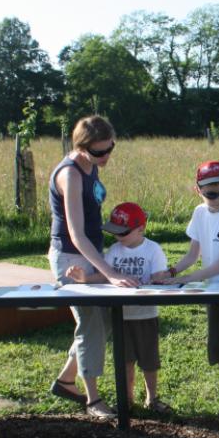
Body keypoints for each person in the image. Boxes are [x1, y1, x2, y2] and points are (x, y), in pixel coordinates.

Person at [47, 115, 138, 419]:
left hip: (92, 253)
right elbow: (76, 232)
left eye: (110, 148)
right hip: (72, 258)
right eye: (99, 152)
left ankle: (66, 380)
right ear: (82, 147)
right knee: (90, 324)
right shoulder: (70, 175)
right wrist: (111, 273)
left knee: (107, 320)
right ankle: (93, 399)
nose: (106, 156)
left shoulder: (92, 165)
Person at [158, 161, 219, 423]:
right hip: (214, 290)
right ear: (198, 190)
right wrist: (171, 273)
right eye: (210, 193)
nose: (217, 198)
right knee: (218, 348)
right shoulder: (199, 213)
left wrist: (189, 279)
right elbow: (193, 254)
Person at [65, 202, 171, 413]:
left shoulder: (153, 249)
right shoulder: (114, 250)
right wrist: (85, 278)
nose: (117, 236)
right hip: (120, 316)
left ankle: (152, 398)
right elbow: (106, 275)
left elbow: (160, 275)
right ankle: (127, 398)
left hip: (146, 315)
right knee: (125, 360)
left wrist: (161, 277)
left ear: (141, 229)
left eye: (123, 232)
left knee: (149, 360)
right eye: (114, 231)